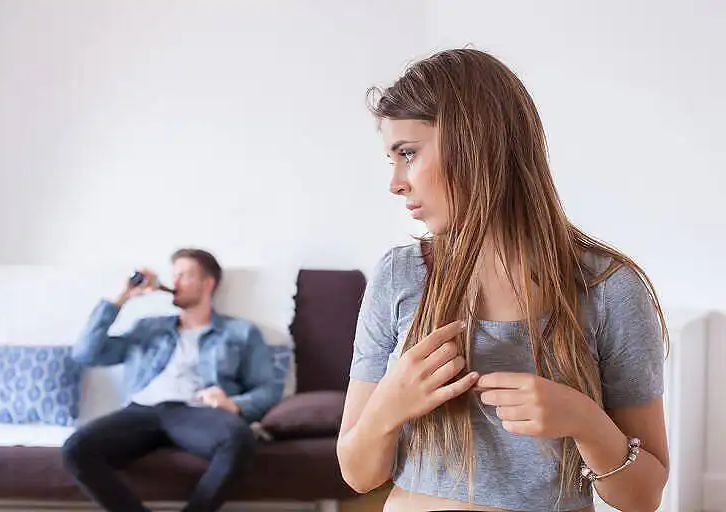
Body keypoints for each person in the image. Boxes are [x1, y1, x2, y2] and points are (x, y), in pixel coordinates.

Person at [337, 49, 669, 512]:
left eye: (408, 154)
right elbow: (357, 473)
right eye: (391, 159)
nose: (396, 182)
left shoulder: (610, 289)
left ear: (476, 144)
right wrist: (389, 404)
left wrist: (585, 422)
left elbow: (643, 496)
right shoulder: (399, 276)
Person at [62, 248, 282, 512]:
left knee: (239, 439)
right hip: (142, 410)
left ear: (208, 283)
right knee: (76, 448)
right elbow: (85, 354)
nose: (175, 282)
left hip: (196, 412)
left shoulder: (240, 332)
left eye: (185, 275)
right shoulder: (147, 328)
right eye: (173, 275)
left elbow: (269, 388)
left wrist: (234, 405)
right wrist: (122, 298)